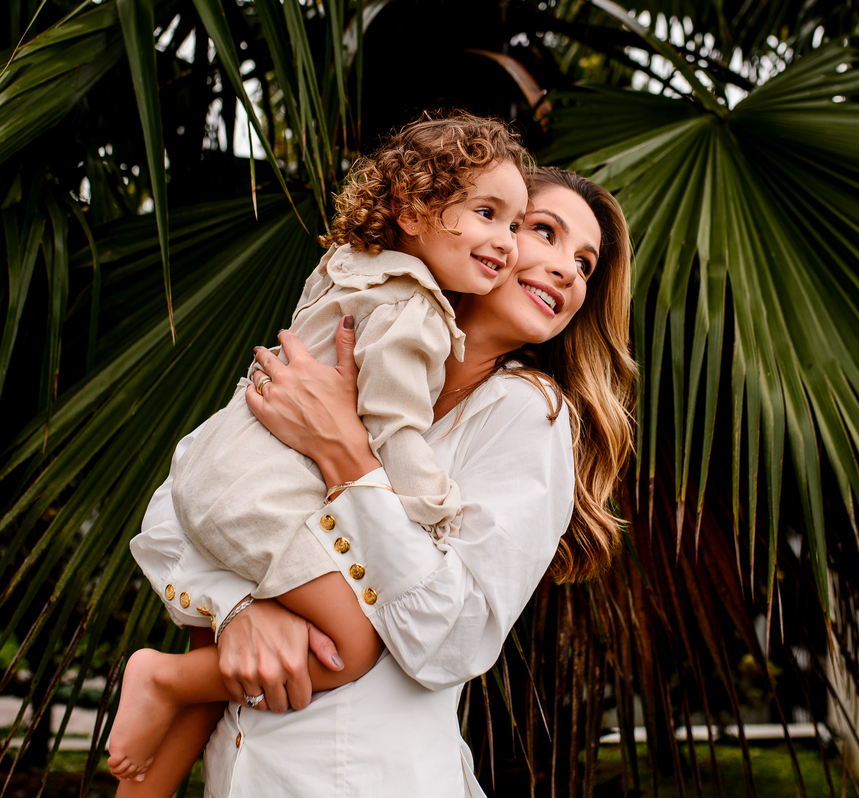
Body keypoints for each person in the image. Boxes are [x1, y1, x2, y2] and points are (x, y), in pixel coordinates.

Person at [122, 167, 636, 797]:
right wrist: (236, 609)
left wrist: (347, 459)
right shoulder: (357, 340)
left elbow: (453, 638)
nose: (567, 270)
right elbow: (185, 497)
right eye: (545, 232)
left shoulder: (528, 412)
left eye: (586, 265)